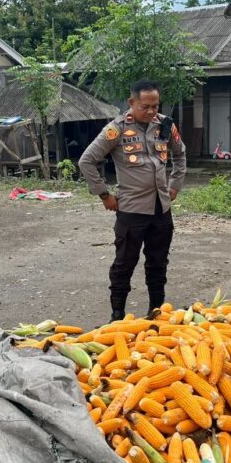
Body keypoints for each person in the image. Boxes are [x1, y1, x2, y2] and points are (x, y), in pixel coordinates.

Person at [78, 79, 187, 322]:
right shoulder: (116, 129)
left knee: (158, 264)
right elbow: (86, 161)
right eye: (145, 106)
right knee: (124, 264)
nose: (151, 112)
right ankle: (117, 315)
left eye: (155, 106)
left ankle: (156, 312)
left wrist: (175, 185)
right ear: (131, 102)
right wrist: (104, 194)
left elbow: (180, 155)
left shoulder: (165, 126)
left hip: (161, 209)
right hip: (131, 210)